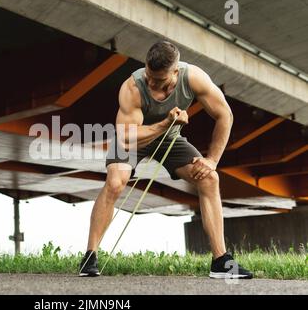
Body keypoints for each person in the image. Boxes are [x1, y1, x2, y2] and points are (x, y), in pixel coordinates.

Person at [79, 40, 253, 279]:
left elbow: (225, 115)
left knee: (209, 179)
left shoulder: (194, 78)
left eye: (158, 80)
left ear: (176, 71)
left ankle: (220, 261)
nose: (152, 83)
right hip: (135, 138)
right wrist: (164, 123)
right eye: (149, 76)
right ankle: (90, 256)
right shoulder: (132, 87)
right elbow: (128, 139)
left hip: (169, 140)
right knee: (116, 182)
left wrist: (211, 160)